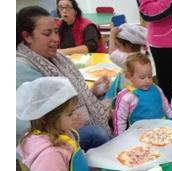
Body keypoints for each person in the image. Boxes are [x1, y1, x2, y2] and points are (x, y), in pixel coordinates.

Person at [17, 6, 111, 151]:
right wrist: (65, 122)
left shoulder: (56, 58)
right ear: (27, 36)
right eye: (47, 33)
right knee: (98, 134)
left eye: (56, 31)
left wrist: (92, 92)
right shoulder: (22, 69)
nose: (55, 39)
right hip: (52, 139)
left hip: (68, 125)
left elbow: (64, 99)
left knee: (115, 101)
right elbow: (24, 125)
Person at [17, 77, 106, 171]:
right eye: (70, 114)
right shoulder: (48, 155)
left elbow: (73, 164)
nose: (76, 116)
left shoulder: (61, 132)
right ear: (47, 118)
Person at [113, 53, 172, 136]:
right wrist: (119, 138)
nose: (148, 81)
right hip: (139, 135)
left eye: (150, 76)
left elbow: (167, 108)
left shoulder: (156, 89)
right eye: (142, 77)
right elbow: (120, 120)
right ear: (129, 76)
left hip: (161, 131)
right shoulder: (127, 96)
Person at [106, 23, 149, 104]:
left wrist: (112, 34)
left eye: (118, 46)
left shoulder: (129, 59)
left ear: (129, 46)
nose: (117, 49)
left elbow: (112, 53)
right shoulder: (143, 54)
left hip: (129, 96)